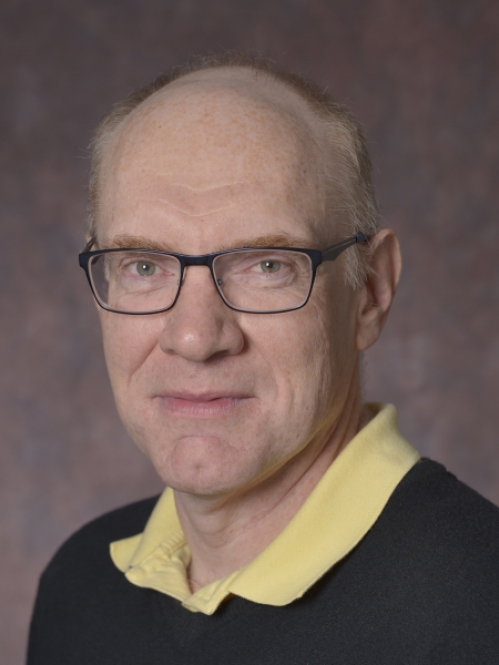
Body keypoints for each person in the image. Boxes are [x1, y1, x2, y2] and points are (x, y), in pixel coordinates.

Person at [27, 53, 499, 664]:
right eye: (144, 265)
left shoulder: (480, 608)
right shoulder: (81, 590)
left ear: (371, 294)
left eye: (267, 265)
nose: (195, 338)